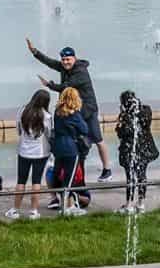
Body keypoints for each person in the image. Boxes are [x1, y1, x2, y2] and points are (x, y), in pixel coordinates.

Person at [28, 38, 110, 179]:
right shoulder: (64, 67)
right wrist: (35, 52)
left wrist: (49, 84)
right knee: (73, 139)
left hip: (88, 110)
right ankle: (73, 167)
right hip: (74, 109)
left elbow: (67, 86)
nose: (65, 62)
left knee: (98, 139)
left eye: (68, 59)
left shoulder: (80, 72)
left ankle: (107, 169)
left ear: (75, 58)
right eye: (64, 59)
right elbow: (50, 62)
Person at [6, 89, 52, 220]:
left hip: (24, 151)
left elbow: (19, 130)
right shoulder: (47, 116)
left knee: (21, 180)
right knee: (36, 181)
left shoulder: (23, 111)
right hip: (41, 152)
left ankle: (15, 209)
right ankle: (34, 211)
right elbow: (49, 134)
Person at [49, 87, 91, 215]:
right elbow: (84, 130)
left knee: (59, 174)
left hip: (58, 148)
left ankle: (66, 203)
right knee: (70, 178)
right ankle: (67, 208)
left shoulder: (57, 112)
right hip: (71, 148)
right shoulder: (75, 114)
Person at [115, 90, 157, 213]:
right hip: (144, 149)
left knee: (130, 177)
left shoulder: (126, 116)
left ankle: (129, 204)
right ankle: (141, 203)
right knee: (142, 175)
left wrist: (121, 118)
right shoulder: (146, 111)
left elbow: (122, 133)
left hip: (130, 151)